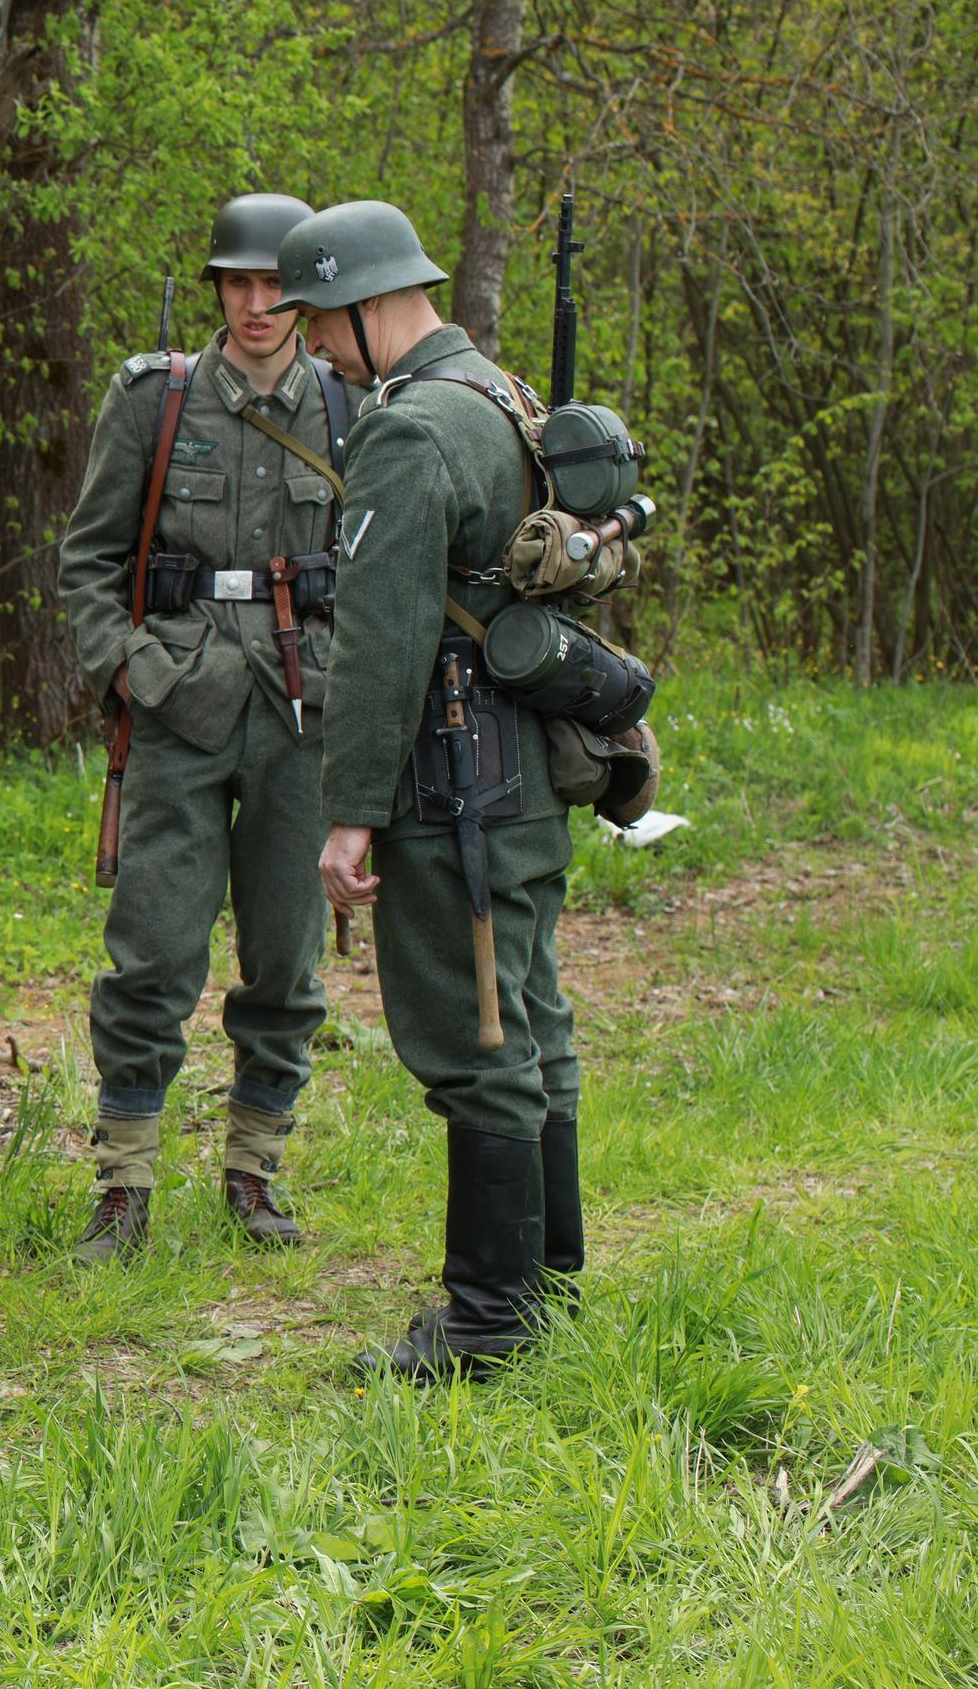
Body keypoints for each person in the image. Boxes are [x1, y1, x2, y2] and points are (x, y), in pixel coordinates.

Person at [269, 201, 583, 1380]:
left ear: (362, 301)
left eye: (317, 318)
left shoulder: (409, 431)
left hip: (455, 783)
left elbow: (383, 639)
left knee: (474, 1037)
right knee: (534, 1022)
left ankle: (489, 1323)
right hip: (525, 775)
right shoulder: (504, 397)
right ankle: (543, 1290)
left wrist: (349, 812)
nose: (314, 345)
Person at [55, 193, 357, 1264]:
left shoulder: (347, 403)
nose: (257, 304)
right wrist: (129, 669)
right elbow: (89, 559)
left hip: (301, 708)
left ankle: (253, 1169)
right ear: (216, 287)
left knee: (286, 957)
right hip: (179, 702)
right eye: (238, 283)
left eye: (276, 286)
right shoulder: (155, 398)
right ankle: (125, 1184)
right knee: (151, 952)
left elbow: (379, 565)